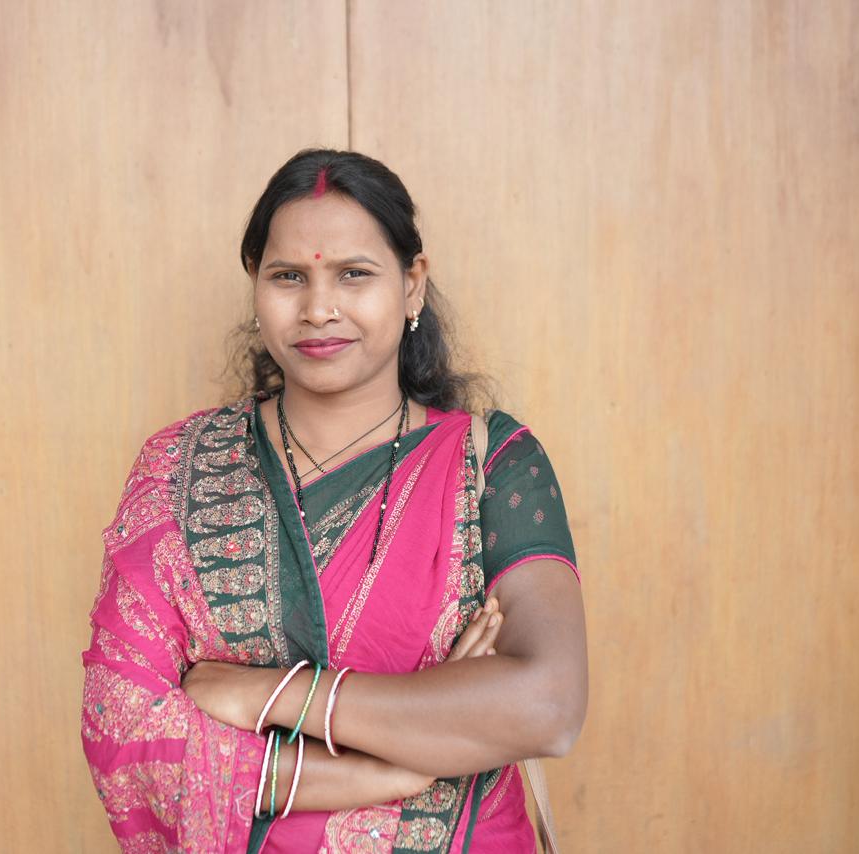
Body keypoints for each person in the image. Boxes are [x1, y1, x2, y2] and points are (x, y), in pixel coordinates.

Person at [80, 148, 588, 853]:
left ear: (412, 285)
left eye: (354, 274)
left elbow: (548, 705)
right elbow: (126, 729)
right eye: (288, 276)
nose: (318, 309)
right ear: (256, 284)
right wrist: (400, 765)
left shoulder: (492, 466)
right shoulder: (179, 468)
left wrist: (267, 695)